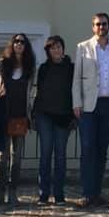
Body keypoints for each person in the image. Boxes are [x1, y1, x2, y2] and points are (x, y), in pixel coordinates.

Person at [72, 12, 109, 207]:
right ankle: (87, 193)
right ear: (93, 27)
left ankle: (97, 193)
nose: (101, 27)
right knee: (87, 148)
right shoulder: (83, 47)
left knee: (102, 150)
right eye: (98, 24)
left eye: (104, 24)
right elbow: (77, 78)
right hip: (88, 105)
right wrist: (76, 102)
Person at [0, 32, 36, 207]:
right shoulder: (3, 65)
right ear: (12, 45)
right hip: (4, 114)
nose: (19, 44)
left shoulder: (29, 69)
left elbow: (32, 92)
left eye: (22, 42)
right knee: (1, 156)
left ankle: (13, 191)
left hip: (20, 116)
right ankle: (0, 192)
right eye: (16, 41)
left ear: (26, 47)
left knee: (16, 156)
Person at [33, 35, 74, 205]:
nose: (56, 50)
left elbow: (74, 92)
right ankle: (43, 193)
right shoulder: (44, 68)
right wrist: (34, 114)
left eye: (58, 47)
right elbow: (39, 91)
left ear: (63, 49)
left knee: (60, 155)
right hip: (45, 115)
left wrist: (73, 116)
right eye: (52, 48)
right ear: (48, 51)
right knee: (45, 153)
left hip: (63, 116)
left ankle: (59, 193)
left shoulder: (71, 68)